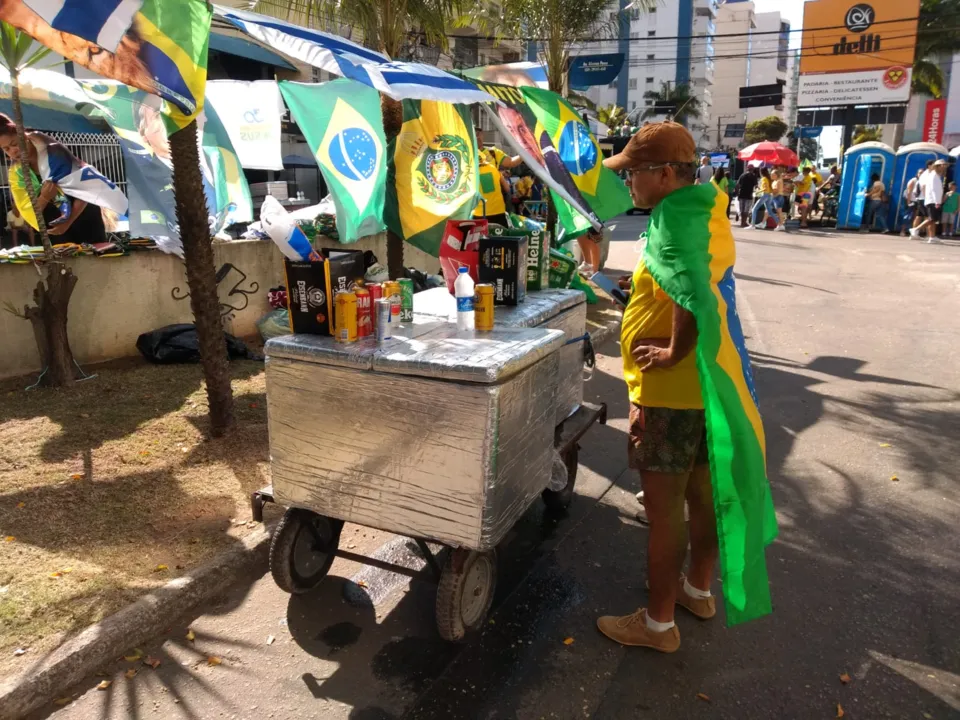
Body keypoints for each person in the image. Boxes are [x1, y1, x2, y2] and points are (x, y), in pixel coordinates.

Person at [597, 121, 722, 653]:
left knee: (665, 513)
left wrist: (674, 350)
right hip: (700, 389)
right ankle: (697, 591)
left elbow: (692, 286)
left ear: (666, 174)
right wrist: (643, 286)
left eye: (634, 173)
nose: (628, 183)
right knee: (699, 495)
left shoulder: (673, 218)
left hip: (670, 392)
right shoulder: (701, 208)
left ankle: (657, 625)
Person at [0, 114, 109, 244]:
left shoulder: (54, 153)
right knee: (65, 262)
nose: (14, 151)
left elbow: (85, 189)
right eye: (6, 149)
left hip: (83, 216)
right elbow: (28, 212)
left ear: (25, 137)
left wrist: (67, 222)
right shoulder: (17, 174)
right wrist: (45, 197)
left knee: (97, 260)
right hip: (54, 228)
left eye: (15, 144)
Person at [474, 126, 522, 226]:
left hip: (497, 208)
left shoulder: (493, 152)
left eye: (479, 134)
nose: (477, 137)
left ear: (483, 135)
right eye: (474, 134)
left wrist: (526, 153)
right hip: (476, 210)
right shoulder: (466, 155)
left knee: (499, 237)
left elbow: (511, 162)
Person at [910, 159, 946, 243]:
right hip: (927, 199)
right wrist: (936, 201)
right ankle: (916, 230)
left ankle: (931, 236)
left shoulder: (933, 175)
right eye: (942, 165)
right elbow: (927, 188)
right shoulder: (929, 175)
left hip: (929, 199)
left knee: (931, 218)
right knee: (930, 218)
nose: (944, 167)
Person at [900, 169, 923, 236]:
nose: (921, 174)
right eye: (920, 173)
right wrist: (908, 202)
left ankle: (913, 232)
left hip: (918, 201)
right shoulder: (913, 181)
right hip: (911, 200)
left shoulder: (922, 181)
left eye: (922, 173)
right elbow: (909, 192)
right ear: (917, 173)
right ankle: (902, 230)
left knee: (916, 217)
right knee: (908, 216)